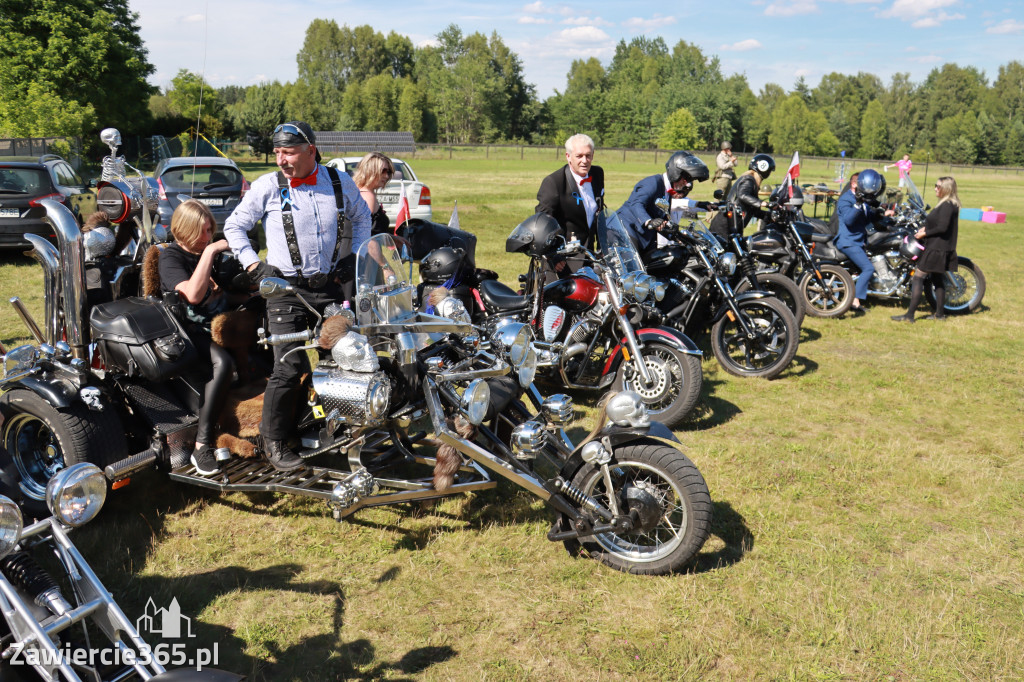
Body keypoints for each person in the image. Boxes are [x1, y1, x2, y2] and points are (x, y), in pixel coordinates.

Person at [223, 121, 372, 472]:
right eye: (276, 152)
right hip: (285, 289)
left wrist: (357, 255)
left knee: (343, 357)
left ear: (310, 149)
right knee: (289, 366)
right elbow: (234, 226)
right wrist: (253, 266)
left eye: (288, 152)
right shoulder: (268, 186)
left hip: (330, 285)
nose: (281, 160)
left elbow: (363, 216)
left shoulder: (338, 181)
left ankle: (331, 428)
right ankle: (273, 441)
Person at [158, 200, 235, 476]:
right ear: (186, 230)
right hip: (187, 331)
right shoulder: (171, 258)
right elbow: (191, 294)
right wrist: (212, 251)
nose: (208, 236)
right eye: (203, 231)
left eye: (211, 230)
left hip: (219, 322)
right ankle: (201, 446)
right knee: (223, 364)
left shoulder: (206, 251)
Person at [892, 176, 960, 323]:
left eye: (938, 186)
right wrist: (926, 228)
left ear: (946, 188)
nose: (935, 188)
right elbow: (939, 224)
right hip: (940, 247)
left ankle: (909, 316)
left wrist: (925, 233)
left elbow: (942, 227)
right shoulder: (949, 204)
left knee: (918, 278)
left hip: (936, 249)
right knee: (937, 279)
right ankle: (940, 315)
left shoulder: (947, 205)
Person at [536, 134, 605, 277]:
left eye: (588, 155)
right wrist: (553, 256)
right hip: (562, 263)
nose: (584, 161)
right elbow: (542, 223)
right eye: (579, 156)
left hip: (591, 258)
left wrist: (603, 247)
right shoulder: (553, 182)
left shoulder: (597, 174)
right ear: (568, 156)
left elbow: (598, 211)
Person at [617, 151, 712, 255]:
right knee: (634, 269)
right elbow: (636, 204)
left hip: (646, 236)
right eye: (686, 178)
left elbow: (663, 221)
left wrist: (680, 239)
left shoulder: (668, 192)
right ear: (675, 173)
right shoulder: (653, 183)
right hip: (625, 229)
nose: (687, 183)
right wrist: (649, 221)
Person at [834, 168, 894, 315]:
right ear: (854, 185)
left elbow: (868, 216)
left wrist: (885, 216)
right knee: (868, 268)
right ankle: (855, 300)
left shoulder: (863, 200)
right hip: (848, 242)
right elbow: (848, 220)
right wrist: (858, 204)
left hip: (859, 240)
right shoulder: (846, 200)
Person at [709, 153, 775, 241]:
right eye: (769, 170)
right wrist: (763, 203)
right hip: (726, 224)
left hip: (734, 223)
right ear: (764, 169)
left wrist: (770, 215)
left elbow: (753, 210)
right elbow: (743, 195)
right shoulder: (749, 179)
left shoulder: (752, 181)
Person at [353, 151, 395, 236]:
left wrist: (393, 238)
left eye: (388, 172)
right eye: (383, 171)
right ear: (370, 171)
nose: (386, 176)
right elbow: (365, 234)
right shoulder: (368, 196)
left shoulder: (360, 191)